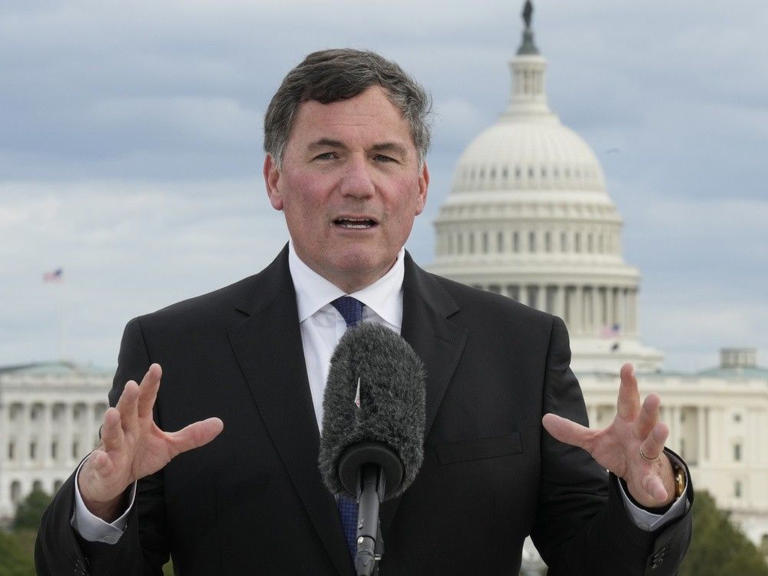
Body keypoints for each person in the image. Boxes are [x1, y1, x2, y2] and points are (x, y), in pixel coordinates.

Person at [35, 48, 692, 575]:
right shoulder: (175, 349)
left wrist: (643, 497)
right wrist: (101, 500)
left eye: (384, 157)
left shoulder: (520, 348)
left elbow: (593, 561)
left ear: (420, 187)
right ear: (274, 180)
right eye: (327, 155)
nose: (358, 182)